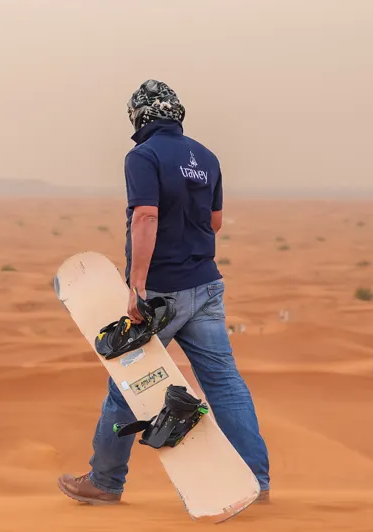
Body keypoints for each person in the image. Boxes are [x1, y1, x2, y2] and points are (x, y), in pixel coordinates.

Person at [57, 79, 271, 505]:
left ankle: (104, 481)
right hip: (206, 286)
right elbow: (215, 224)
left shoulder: (143, 156)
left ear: (139, 116)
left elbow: (146, 217)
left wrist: (137, 285)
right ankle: (257, 481)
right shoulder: (207, 158)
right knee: (225, 383)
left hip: (161, 291)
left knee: (128, 383)